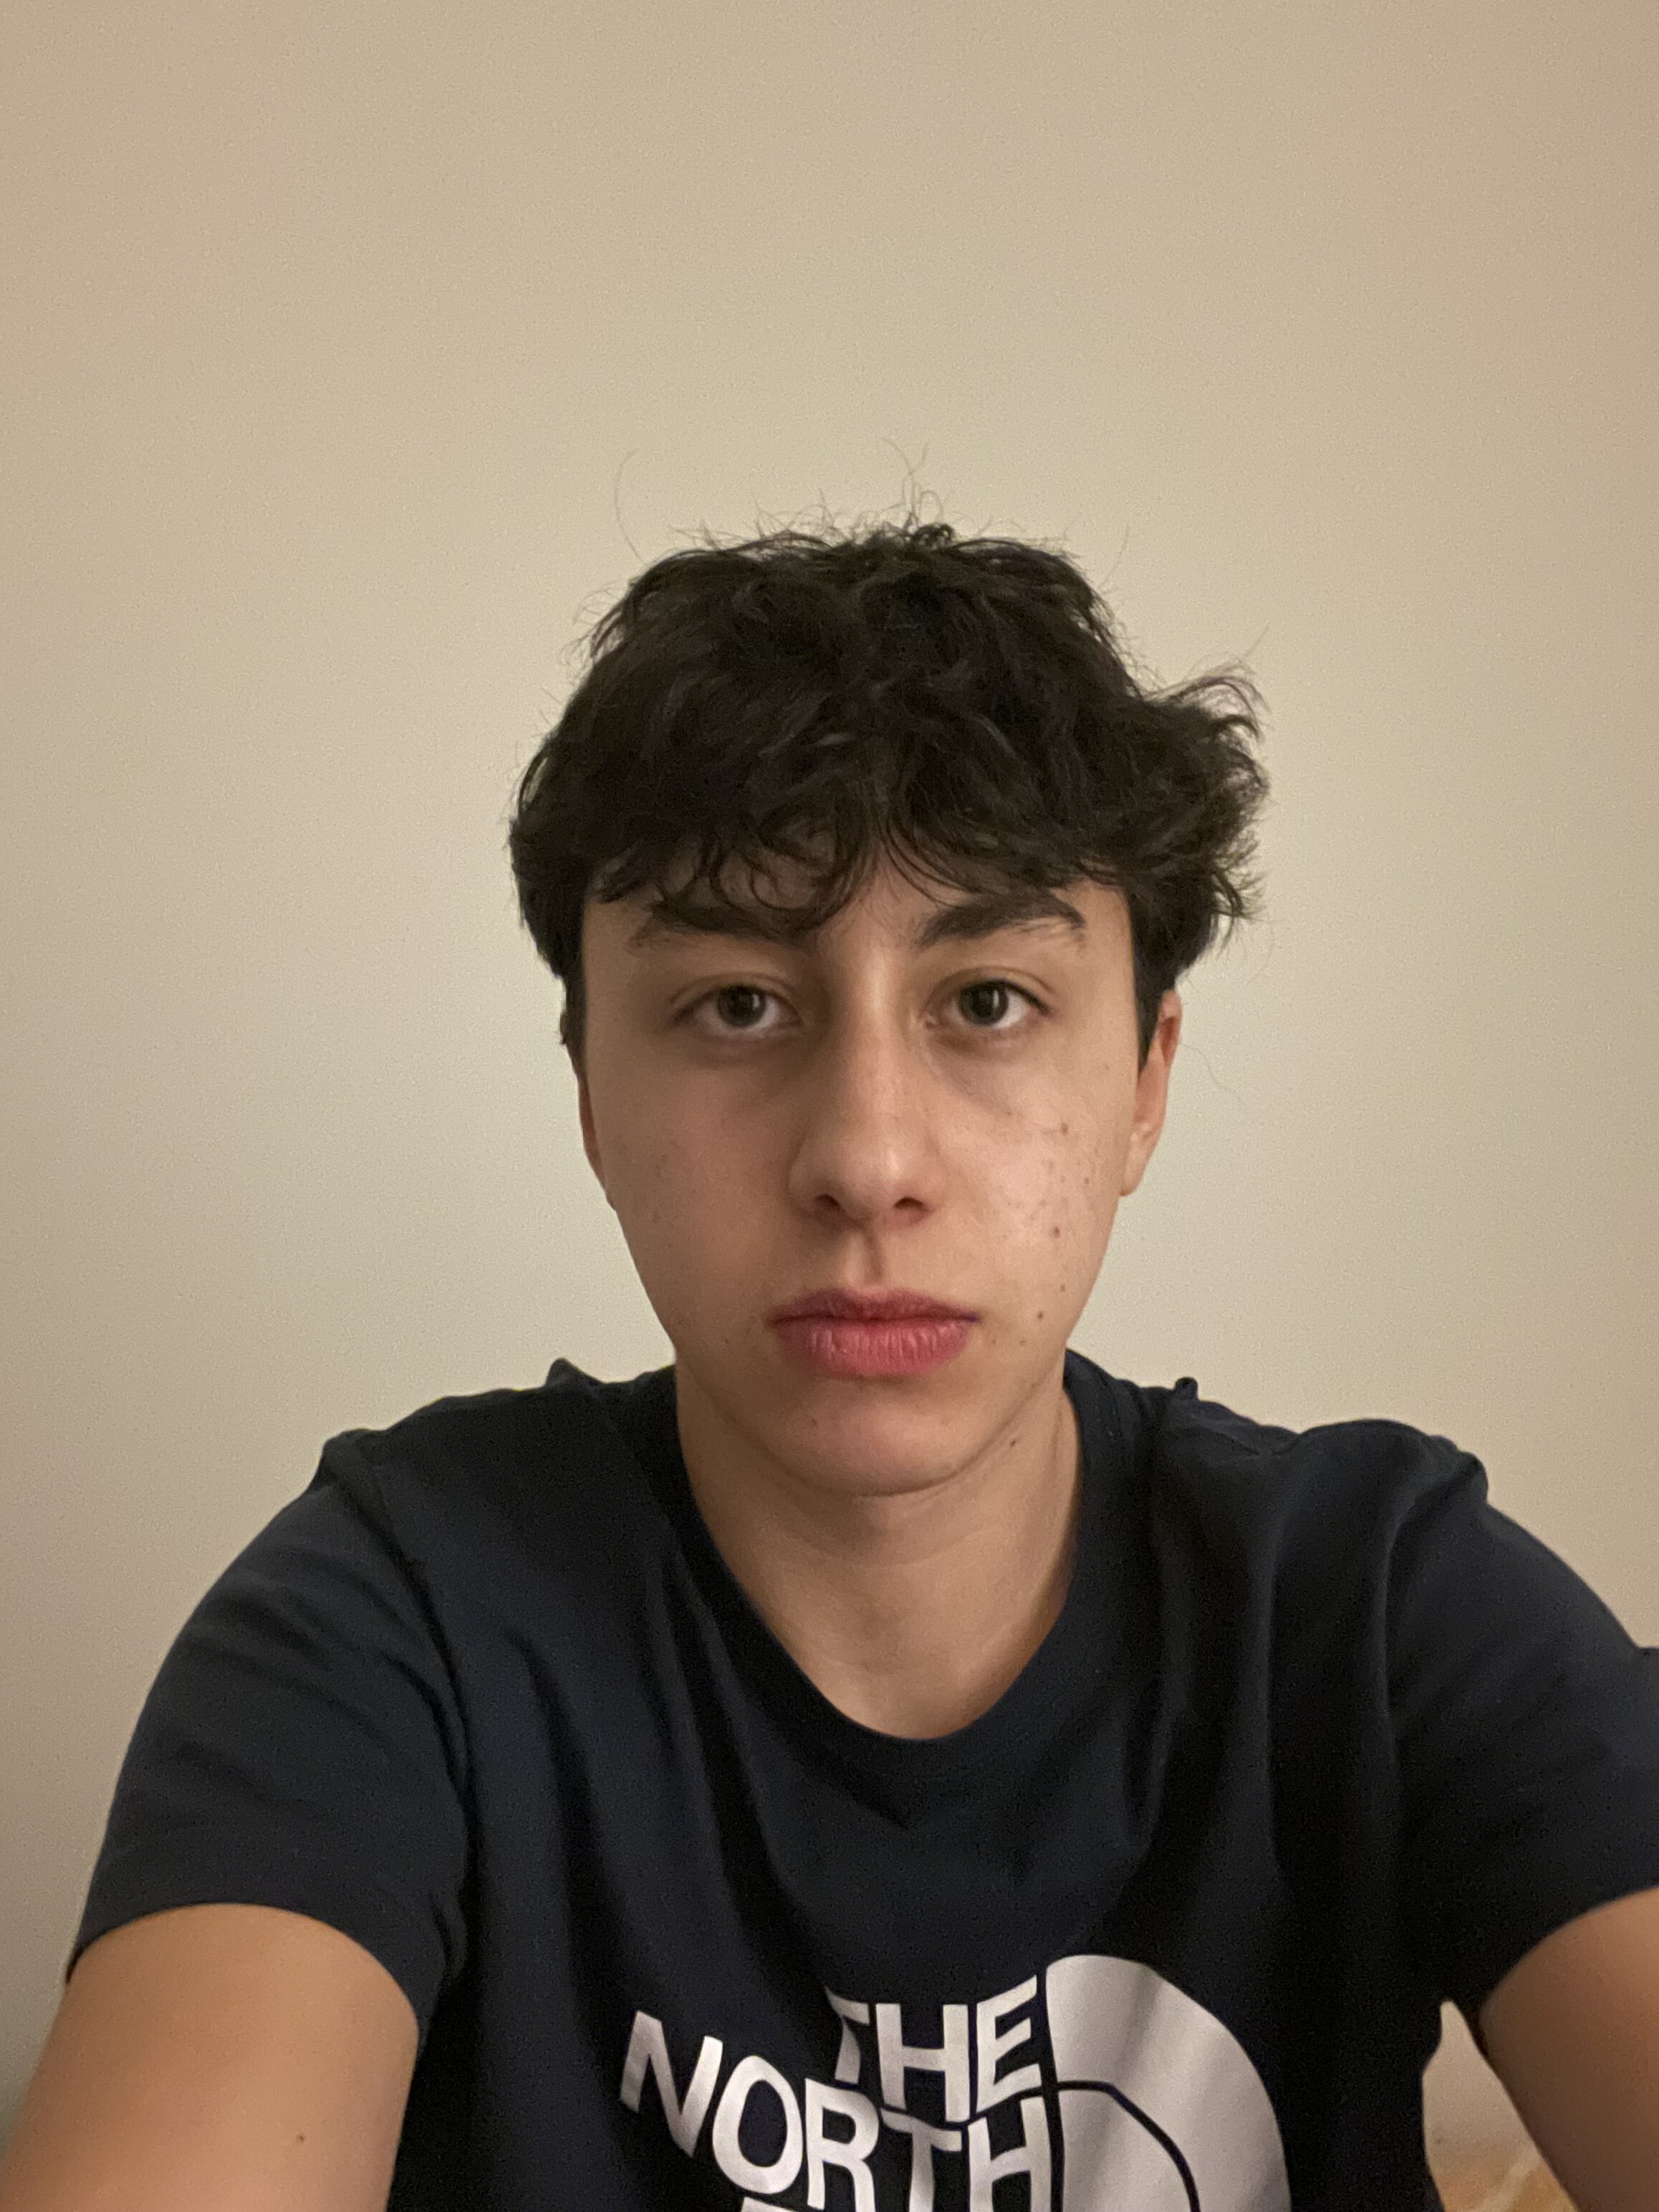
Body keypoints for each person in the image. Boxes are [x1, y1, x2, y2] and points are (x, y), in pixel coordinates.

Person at [5, 503, 1659, 2212]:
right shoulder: (395, 1622)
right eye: (737, 1003)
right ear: (591, 1092)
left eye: (989, 1000)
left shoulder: (1377, 1609)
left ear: (1145, 1078)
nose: (866, 1158)